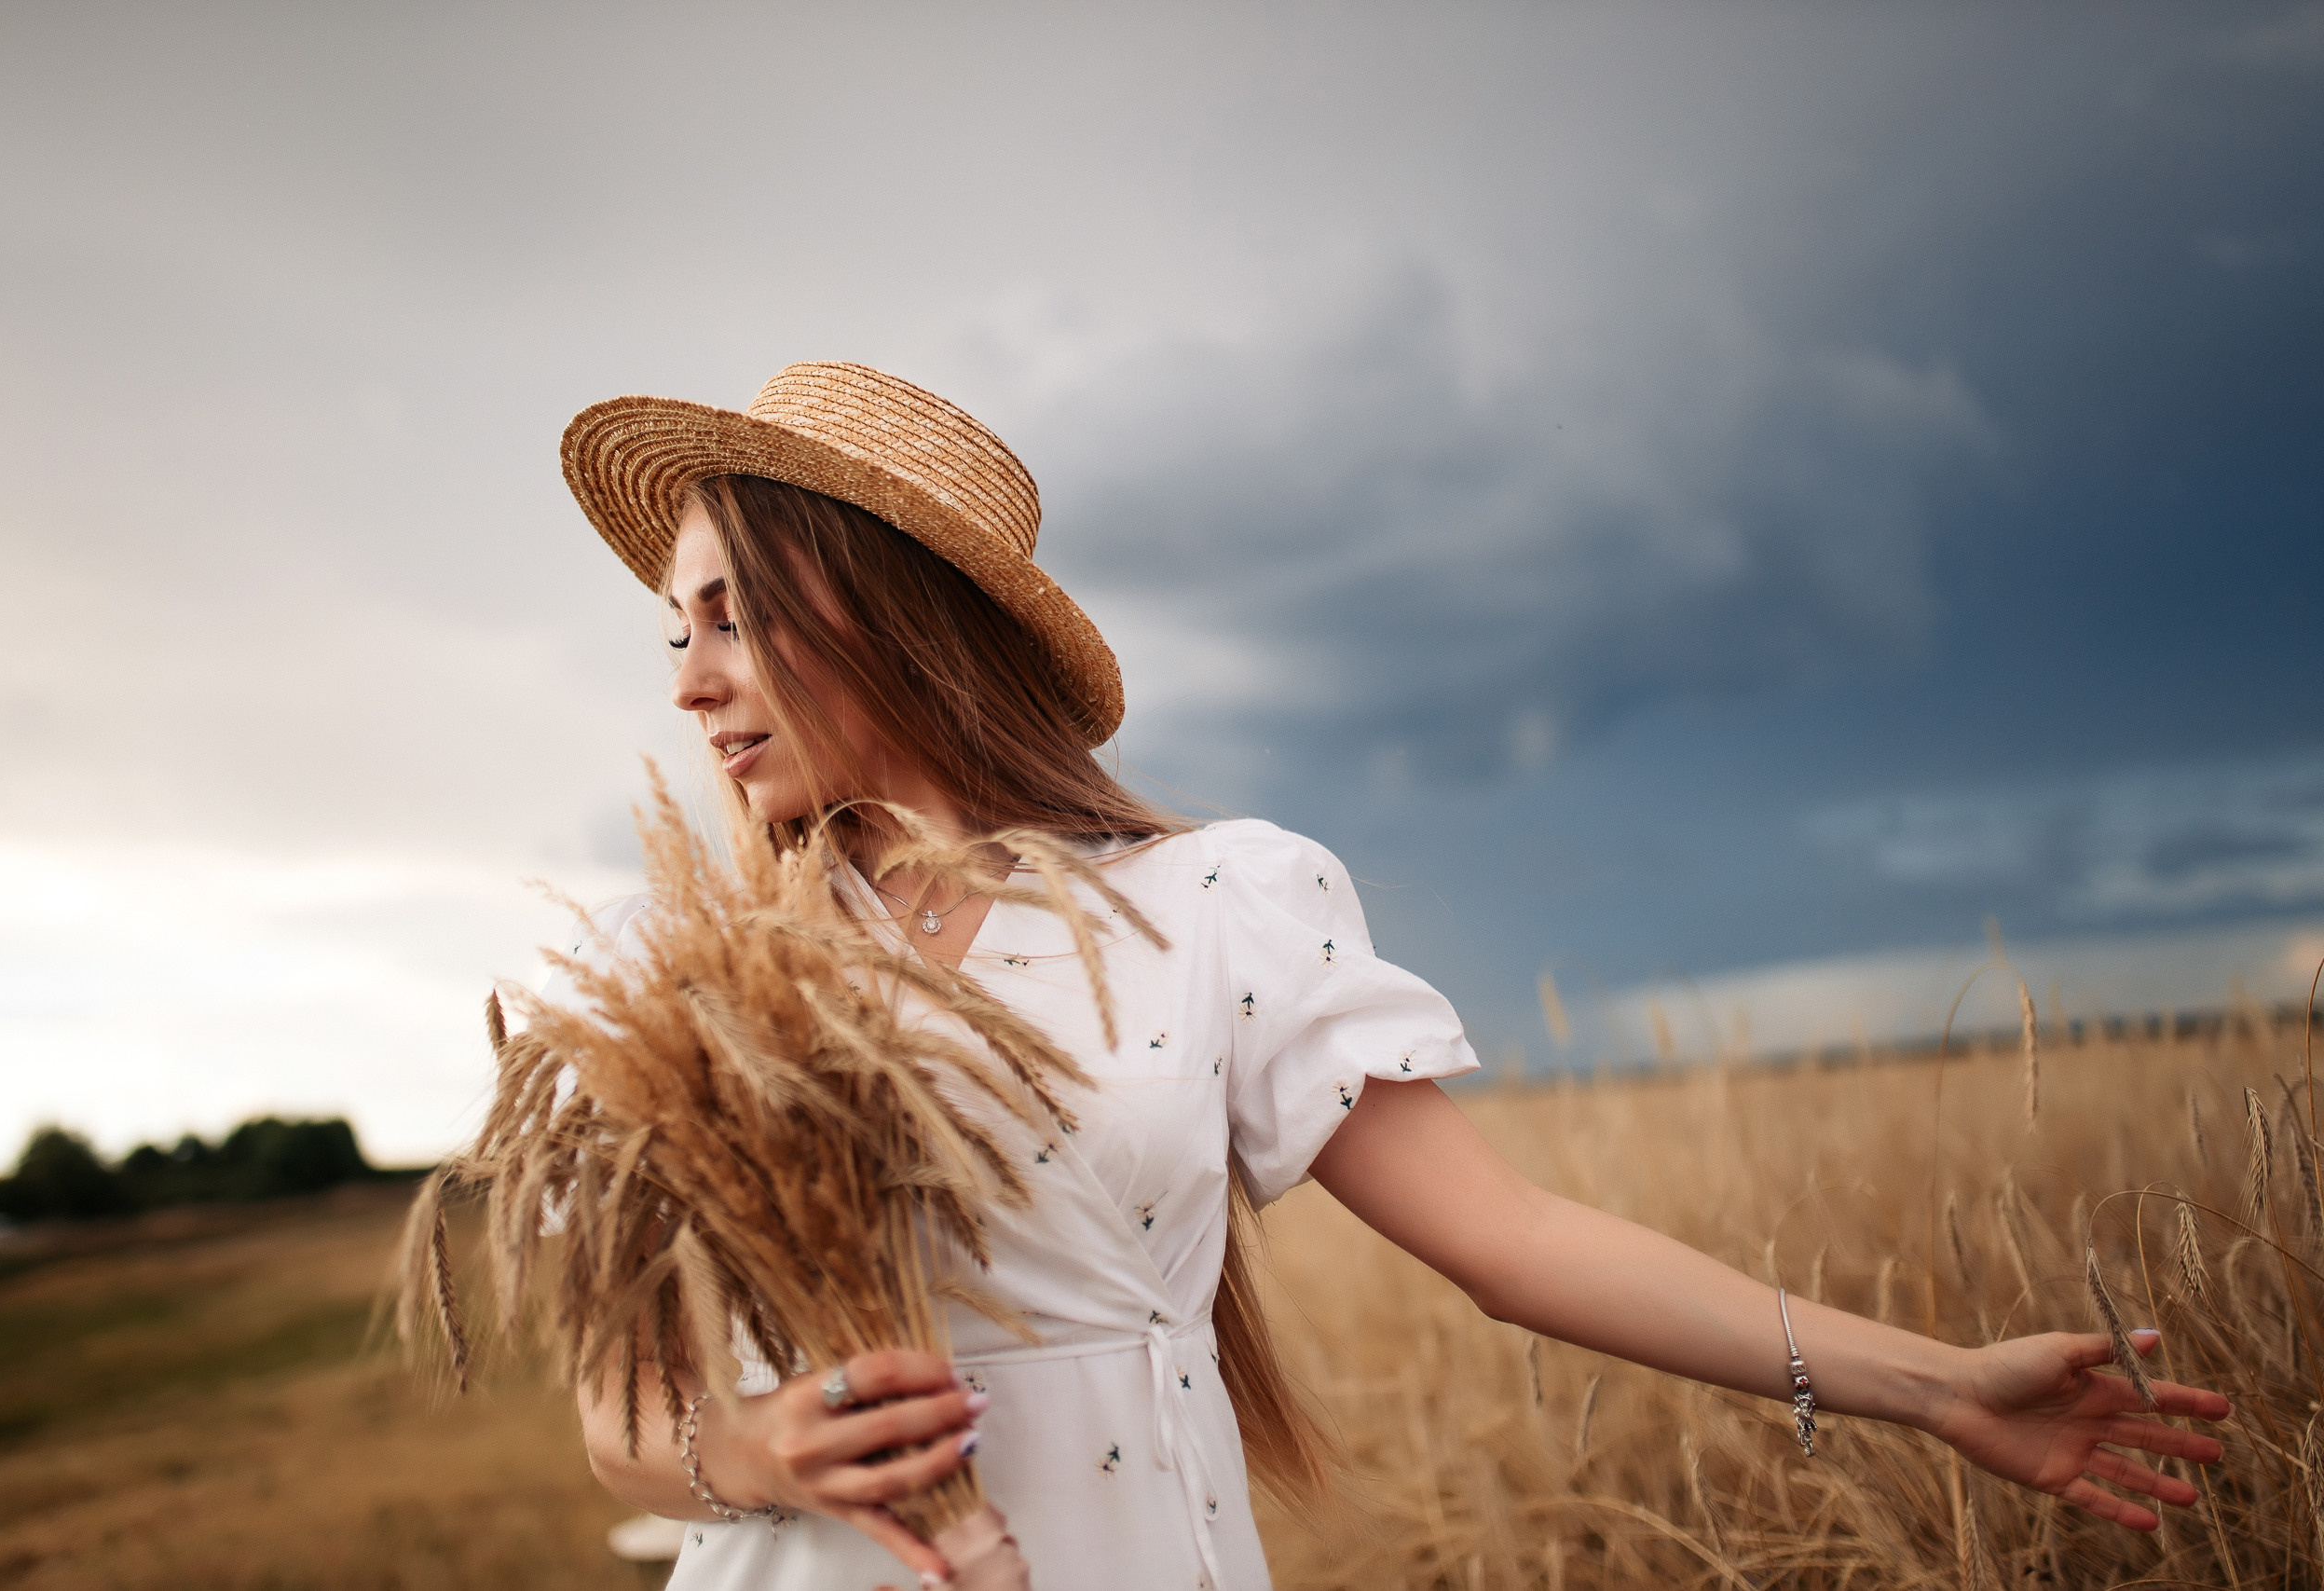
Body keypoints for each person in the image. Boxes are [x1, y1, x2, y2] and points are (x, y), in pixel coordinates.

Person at [551, 363, 2229, 1590]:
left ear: (881, 606)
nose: (689, 683)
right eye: (672, 635)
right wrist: (760, 1452)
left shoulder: (1218, 905)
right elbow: (626, 1411)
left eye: (727, 616)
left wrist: (1939, 1388)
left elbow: (1524, 1244)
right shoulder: (697, 984)